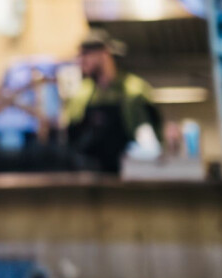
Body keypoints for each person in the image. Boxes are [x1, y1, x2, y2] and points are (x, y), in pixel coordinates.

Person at [65, 29, 162, 175]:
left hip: (127, 177)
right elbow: (71, 141)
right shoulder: (81, 94)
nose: (80, 60)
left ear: (104, 54)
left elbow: (148, 141)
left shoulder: (133, 89)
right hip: (89, 178)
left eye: (86, 54)